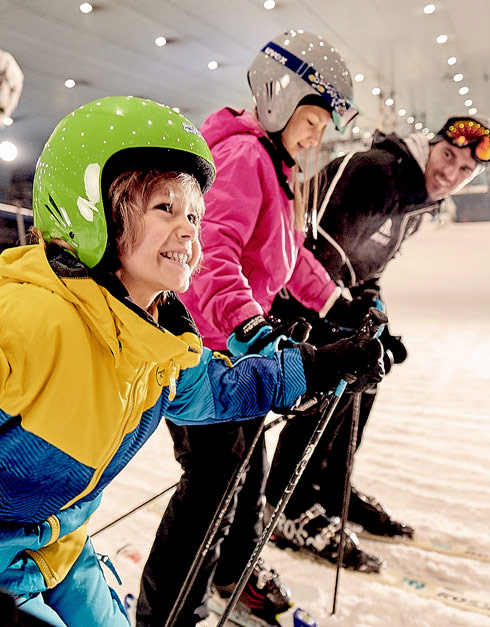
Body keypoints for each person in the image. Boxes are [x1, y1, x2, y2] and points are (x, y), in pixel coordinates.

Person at [0, 95, 384, 627]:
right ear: (88, 207)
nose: (190, 231)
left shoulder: (156, 343)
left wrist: (319, 365)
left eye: (195, 217)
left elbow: (218, 390)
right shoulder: (24, 321)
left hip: (59, 552)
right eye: (165, 208)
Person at [136, 29, 380, 627]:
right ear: (280, 98)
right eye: (312, 119)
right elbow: (207, 256)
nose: (316, 136)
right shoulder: (245, 156)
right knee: (214, 485)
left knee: (248, 476)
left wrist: (340, 307)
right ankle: (170, 613)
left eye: (323, 127)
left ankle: (233, 578)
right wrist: (251, 327)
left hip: (237, 356)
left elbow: (288, 258)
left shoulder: (273, 166)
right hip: (209, 355)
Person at [265, 114, 490, 564]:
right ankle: (285, 505)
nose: (451, 173)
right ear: (431, 146)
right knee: (332, 381)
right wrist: (348, 317)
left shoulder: (416, 202)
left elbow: (367, 271)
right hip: (287, 296)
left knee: (368, 376)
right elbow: (308, 250)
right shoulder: (375, 172)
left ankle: (329, 490)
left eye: (465, 170)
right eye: (448, 156)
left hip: (332, 300)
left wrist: (375, 314)